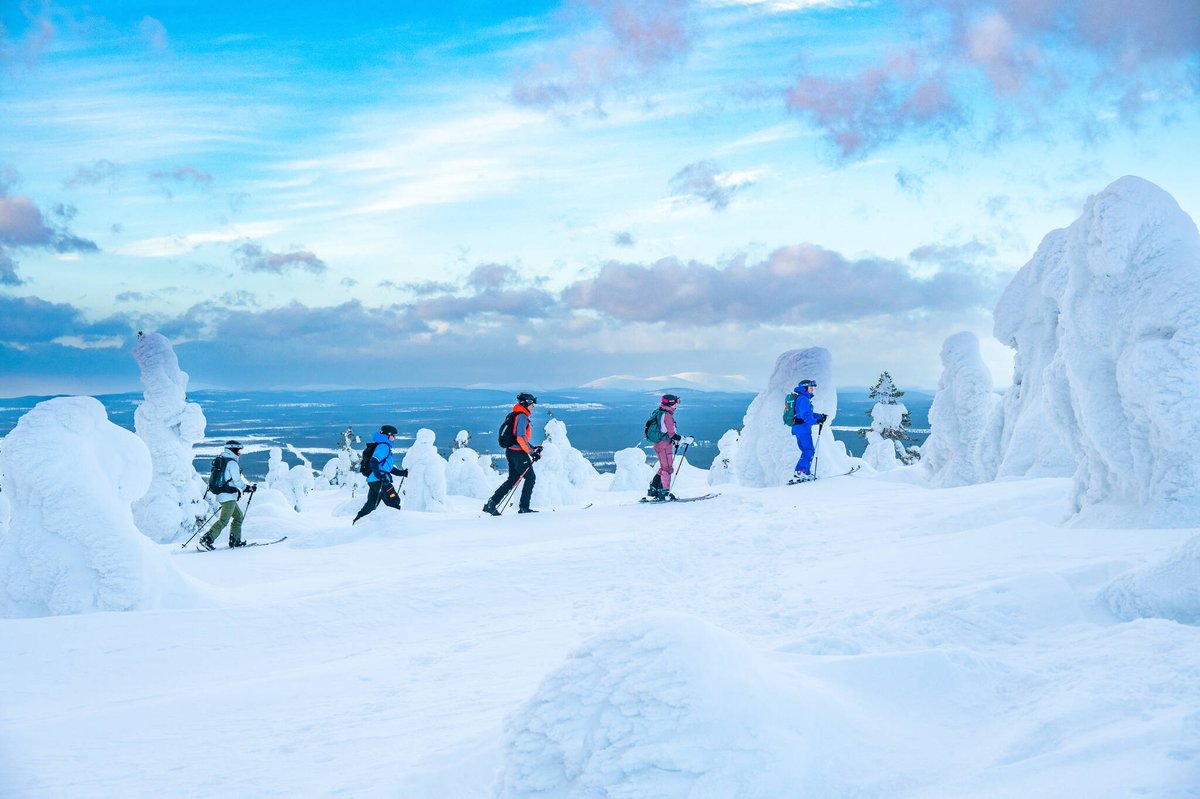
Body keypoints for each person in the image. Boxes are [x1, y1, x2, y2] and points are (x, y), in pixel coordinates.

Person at [483, 392, 542, 515]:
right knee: (530, 477)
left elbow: (519, 438)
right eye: (532, 403)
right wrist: (532, 453)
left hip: (511, 452)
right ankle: (524, 507)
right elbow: (520, 438)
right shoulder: (522, 417)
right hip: (518, 454)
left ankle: (492, 503)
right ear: (526, 403)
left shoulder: (515, 415)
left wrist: (533, 447)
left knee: (512, 479)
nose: (534, 406)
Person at [198, 440, 257, 550]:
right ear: (233, 450)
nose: (240, 453)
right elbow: (237, 481)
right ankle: (207, 539)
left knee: (238, 516)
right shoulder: (232, 463)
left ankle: (235, 541)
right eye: (238, 450)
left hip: (223, 494)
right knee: (224, 520)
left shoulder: (222, 460)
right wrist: (249, 488)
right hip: (228, 496)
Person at [352, 425, 409, 524]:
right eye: (393, 436)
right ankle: (395, 525)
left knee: (371, 504)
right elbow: (374, 461)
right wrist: (380, 476)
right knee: (394, 501)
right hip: (379, 480)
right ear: (388, 435)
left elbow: (386, 467)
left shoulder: (382, 445)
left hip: (374, 480)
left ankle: (357, 522)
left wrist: (401, 473)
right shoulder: (384, 446)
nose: (394, 438)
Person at [646, 394, 689, 501]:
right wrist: (684, 439)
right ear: (671, 403)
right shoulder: (667, 416)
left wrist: (676, 441)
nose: (676, 405)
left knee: (663, 468)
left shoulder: (659, 412)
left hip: (658, 444)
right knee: (668, 469)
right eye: (676, 402)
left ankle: (654, 489)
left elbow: (663, 431)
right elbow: (672, 434)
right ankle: (664, 492)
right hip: (664, 446)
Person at [789, 380, 828, 482]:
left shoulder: (802, 398)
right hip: (802, 428)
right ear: (805, 388)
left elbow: (807, 413)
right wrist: (816, 421)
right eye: (811, 388)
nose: (812, 389)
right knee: (809, 450)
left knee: (806, 450)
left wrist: (820, 416)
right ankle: (799, 472)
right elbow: (805, 416)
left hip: (799, 428)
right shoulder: (803, 399)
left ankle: (805, 472)